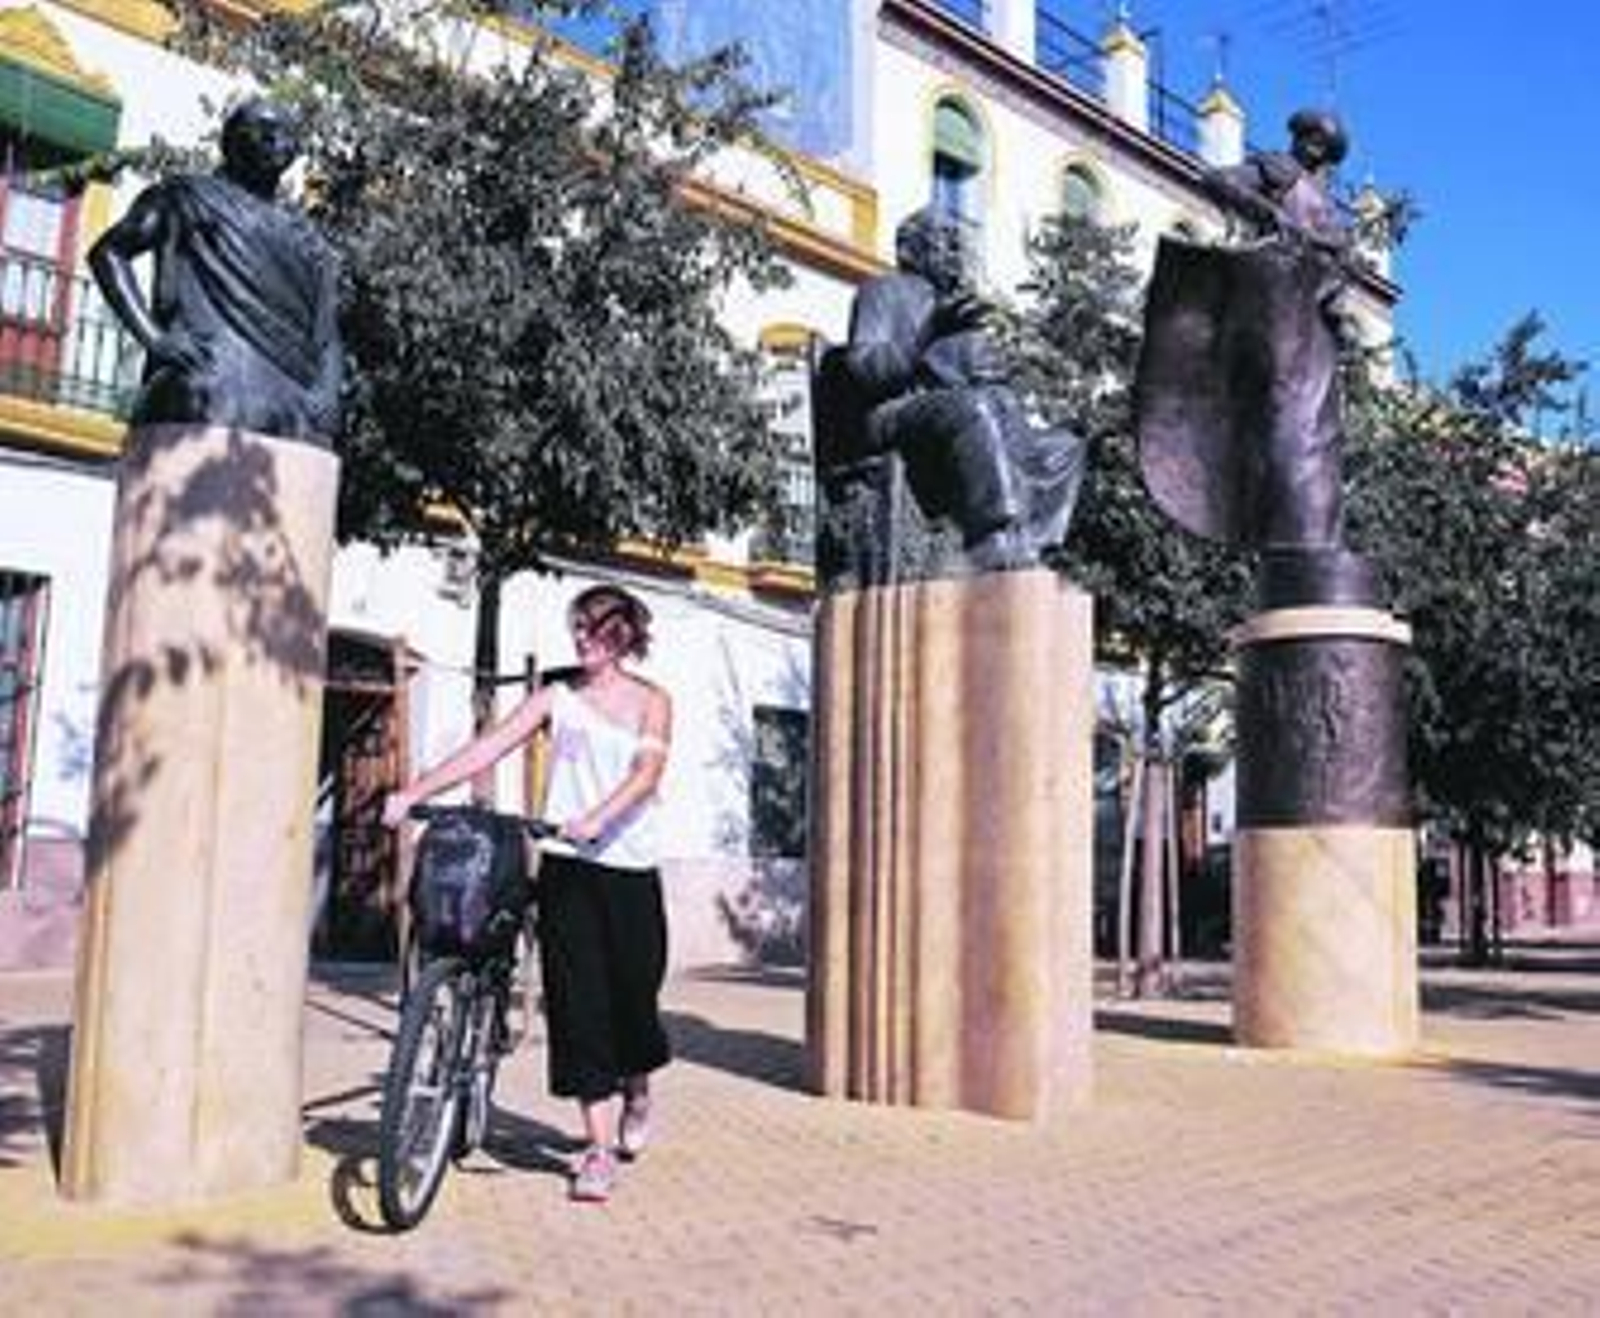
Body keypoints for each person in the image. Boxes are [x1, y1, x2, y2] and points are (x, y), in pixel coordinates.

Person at [382, 584, 673, 1204]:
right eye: (578, 629)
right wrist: (415, 791)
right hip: (566, 867)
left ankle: (638, 1087)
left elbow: (646, 776)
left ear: (623, 634)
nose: (583, 639)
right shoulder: (556, 697)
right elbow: (490, 745)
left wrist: (598, 816)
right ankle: (596, 1150)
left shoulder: (654, 702)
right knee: (579, 1005)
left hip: (629, 871)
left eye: (594, 629)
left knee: (634, 1000)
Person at [814, 206, 1086, 584]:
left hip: (948, 409)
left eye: (958, 244)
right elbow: (866, 372)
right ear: (910, 249)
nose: (955, 252)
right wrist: (930, 330)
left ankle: (1032, 543)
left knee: (1063, 445)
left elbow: (966, 374)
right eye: (943, 241)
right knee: (971, 408)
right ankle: (992, 537)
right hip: (890, 413)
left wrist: (993, 371)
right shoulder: (883, 290)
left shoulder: (954, 303)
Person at [89, 97, 342, 445]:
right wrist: (156, 339)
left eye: (283, 133)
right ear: (229, 142)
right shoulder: (186, 196)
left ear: (295, 151)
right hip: (208, 380)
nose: (272, 140)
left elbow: (327, 335)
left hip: (291, 399)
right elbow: (109, 253)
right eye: (260, 130)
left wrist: (327, 395)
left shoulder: (309, 241)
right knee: (206, 403)